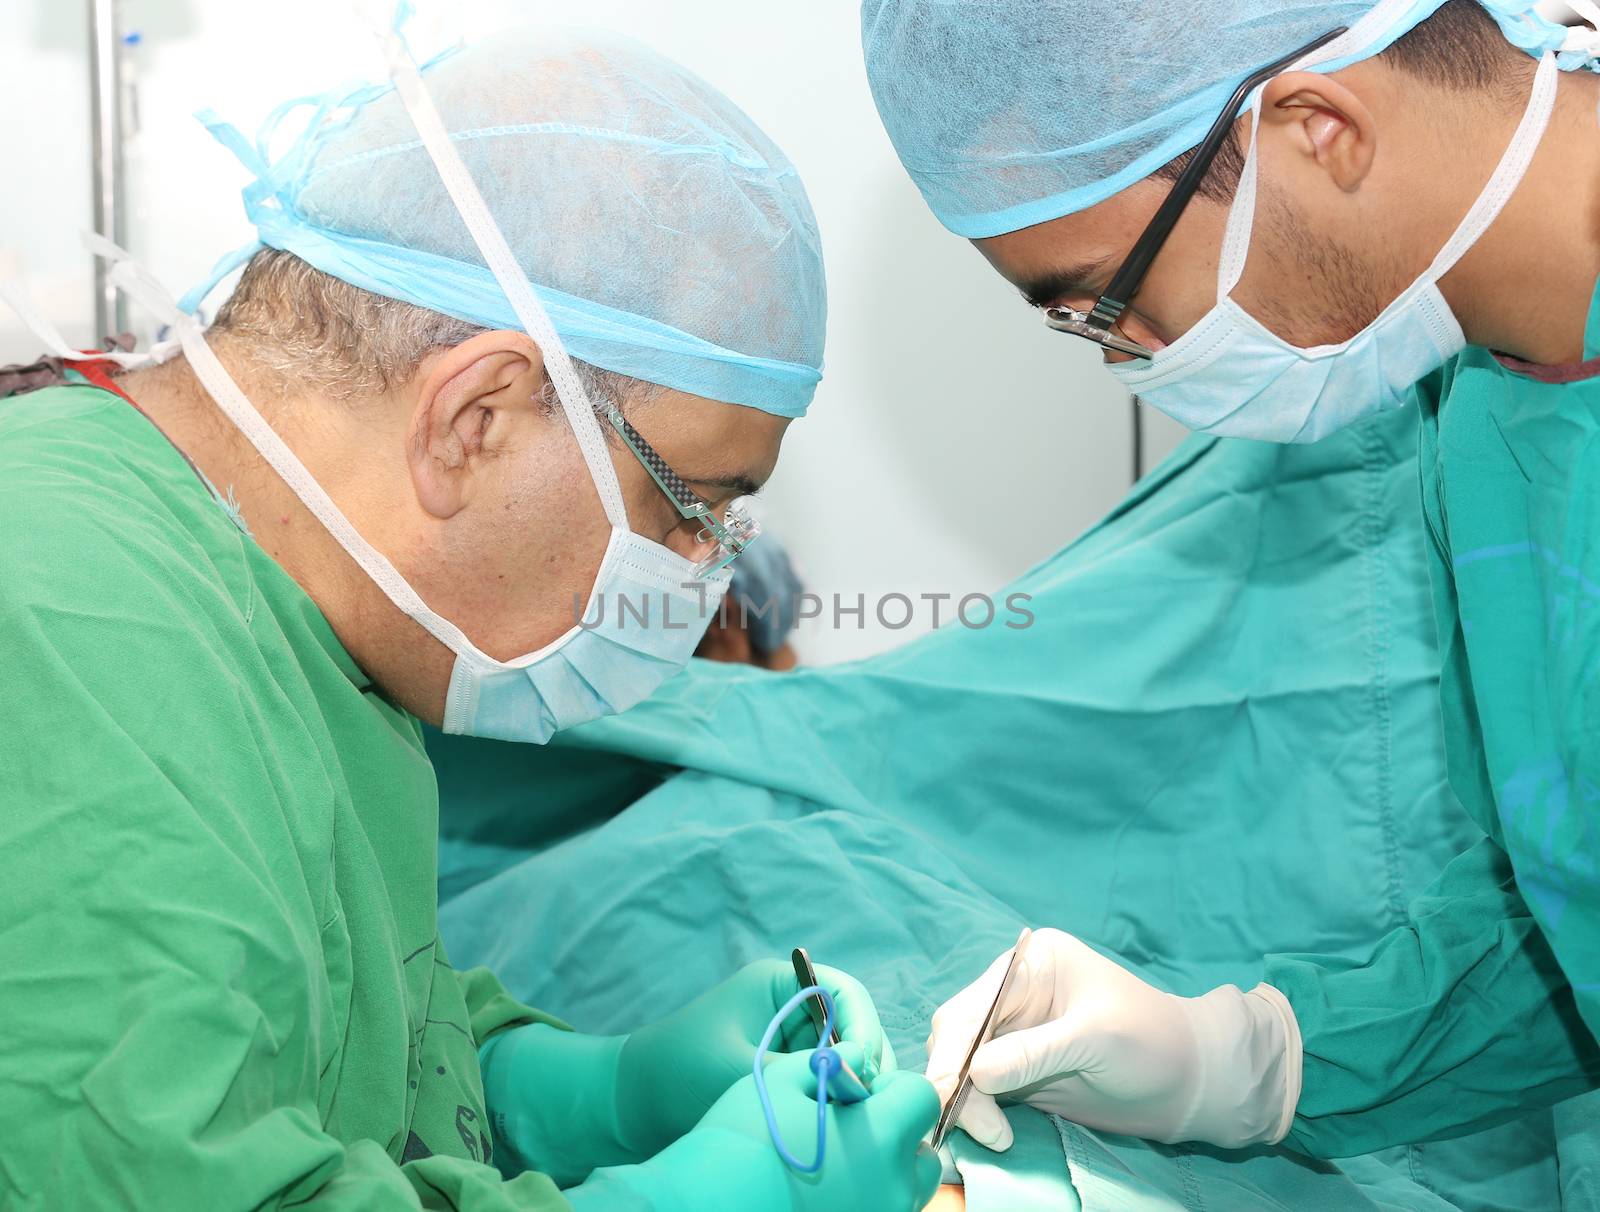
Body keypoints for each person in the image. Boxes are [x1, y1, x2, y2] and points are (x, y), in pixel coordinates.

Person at [0, 24, 939, 1212]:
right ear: (476, 418)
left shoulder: (316, 630)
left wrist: (569, 1090)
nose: (704, 571)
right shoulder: (66, 614)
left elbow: (331, 1042)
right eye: (690, 506)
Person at [863, 0, 1600, 1162]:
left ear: (1316, 128)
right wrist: (1243, 1062)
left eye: (1106, 303)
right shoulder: (1492, 402)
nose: (1133, 359)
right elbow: (1570, 907)